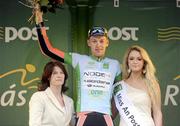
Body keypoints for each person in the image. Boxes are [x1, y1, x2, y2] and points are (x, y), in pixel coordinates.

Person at [35, 7, 121, 126]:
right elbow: (48, 50)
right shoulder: (79, 60)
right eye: (94, 41)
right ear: (88, 43)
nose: (98, 45)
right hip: (84, 117)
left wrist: (111, 116)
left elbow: (119, 96)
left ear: (107, 42)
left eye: (101, 41)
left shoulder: (115, 65)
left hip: (106, 118)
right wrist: (39, 22)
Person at [113, 45, 163, 126]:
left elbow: (157, 113)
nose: (135, 62)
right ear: (127, 62)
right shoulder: (119, 87)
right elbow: (111, 114)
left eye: (139, 59)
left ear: (144, 62)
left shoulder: (152, 84)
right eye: (131, 59)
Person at [29, 61, 75, 126]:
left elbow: (72, 124)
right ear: (48, 77)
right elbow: (34, 124)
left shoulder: (70, 101)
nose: (59, 76)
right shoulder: (38, 97)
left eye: (61, 73)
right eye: (55, 73)